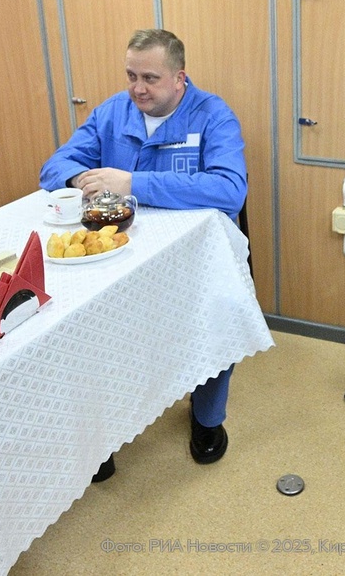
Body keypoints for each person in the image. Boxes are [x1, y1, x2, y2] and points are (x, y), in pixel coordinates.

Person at [40, 29, 247, 476]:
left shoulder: (213, 115)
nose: (138, 88)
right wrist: (82, 180)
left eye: (150, 78)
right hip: (120, 256)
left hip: (195, 261)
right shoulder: (112, 112)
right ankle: (105, 433)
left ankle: (207, 418)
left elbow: (230, 189)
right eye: (131, 75)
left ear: (179, 78)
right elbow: (55, 166)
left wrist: (133, 183)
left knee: (217, 318)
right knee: (98, 331)